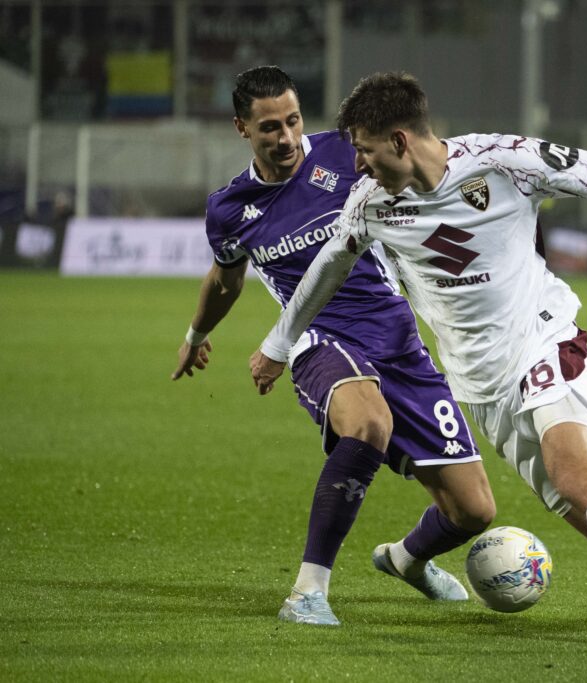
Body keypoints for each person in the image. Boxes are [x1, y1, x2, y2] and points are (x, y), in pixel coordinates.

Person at [251, 72, 587, 657]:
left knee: (578, 477)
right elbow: (328, 268)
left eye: (364, 150)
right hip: (481, 387)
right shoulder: (369, 204)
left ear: (399, 140)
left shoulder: (504, 161)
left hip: (544, 339)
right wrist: (279, 343)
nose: (357, 164)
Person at [171, 66, 495, 627]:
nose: (286, 137)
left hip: (396, 336)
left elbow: (419, 174)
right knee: (368, 423)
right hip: (318, 338)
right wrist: (196, 335)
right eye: (269, 127)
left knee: (473, 511)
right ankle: (307, 592)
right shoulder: (229, 208)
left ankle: (406, 560)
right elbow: (225, 281)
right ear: (242, 128)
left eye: (293, 120)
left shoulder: (347, 153)